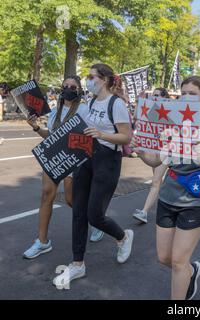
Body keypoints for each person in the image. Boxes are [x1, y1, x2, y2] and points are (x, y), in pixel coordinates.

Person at [136, 76, 200, 300]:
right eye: (183, 92)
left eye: (192, 93)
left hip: (195, 202)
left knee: (177, 262)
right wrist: (141, 151)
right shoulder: (171, 124)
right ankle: (191, 272)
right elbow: (156, 161)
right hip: (168, 197)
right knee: (164, 258)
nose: (186, 97)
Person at [53, 64, 134, 287]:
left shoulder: (116, 104)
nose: (88, 80)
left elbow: (126, 137)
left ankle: (123, 236)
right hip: (86, 158)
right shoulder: (90, 102)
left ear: (106, 80)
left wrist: (102, 134)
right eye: (88, 77)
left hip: (107, 160)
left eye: (91, 77)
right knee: (78, 212)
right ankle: (77, 264)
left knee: (94, 215)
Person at [23, 76, 103, 259]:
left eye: (73, 86)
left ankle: (97, 222)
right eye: (65, 86)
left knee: (70, 200)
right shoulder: (54, 112)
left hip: (73, 160)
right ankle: (42, 242)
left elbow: (90, 136)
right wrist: (36, 127)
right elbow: (50, 137)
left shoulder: (84, 110)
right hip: (54, 159)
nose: (68, 88)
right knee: (46, 195)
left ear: (79, 90)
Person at [133, 87, 170, 224]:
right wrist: (139, 101)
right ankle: (166, 201)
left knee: (155, 181)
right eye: (153, 95)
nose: (154, 97)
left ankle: (144, 212)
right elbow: (137, 117)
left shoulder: (170, 111)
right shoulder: (151, 110)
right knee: (158, 181)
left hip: (166, 149)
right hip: (153, 149)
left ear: (164, 97)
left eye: (157, 95)